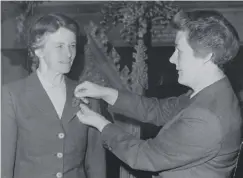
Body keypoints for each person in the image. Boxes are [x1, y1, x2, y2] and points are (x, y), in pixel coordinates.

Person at [74, 10, 242, 178]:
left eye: (180, 51)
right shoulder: (212, 93)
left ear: (206, 56)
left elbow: (143, 156)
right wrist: (105, 93)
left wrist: (101, 124)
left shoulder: (206, 116)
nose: (172, 59)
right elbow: (158, 110)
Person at [2, 13, 106, 178]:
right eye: (60, 46)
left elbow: (96, 164)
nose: (69, 53)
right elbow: (4, 166)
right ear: (38, 50)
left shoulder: (88, 96)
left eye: (72, 45)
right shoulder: (12, 96)